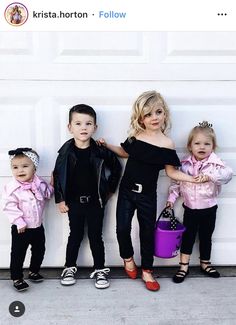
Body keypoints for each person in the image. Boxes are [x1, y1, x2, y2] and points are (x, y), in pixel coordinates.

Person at [98, 90, 201, 291]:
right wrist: (107, 145)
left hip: (147, 195)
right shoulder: (136, 136)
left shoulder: (167, 144)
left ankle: (147, 270)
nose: (154, 118)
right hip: (127, 192)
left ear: (165, 114)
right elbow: (125, 153)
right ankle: (127, 258)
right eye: (148, 114)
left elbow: (172, 172)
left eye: (158, 112)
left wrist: (191, 178)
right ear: (140, 118)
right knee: (122, 228)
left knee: (147, 233)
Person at [53, 104, 122, 289]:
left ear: (95, 127)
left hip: (96, 202)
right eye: (78, 123)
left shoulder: (100, 150)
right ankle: (69, 267)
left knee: (95, 236)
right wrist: (59, 199)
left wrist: (110, 190)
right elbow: (58, 175)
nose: (83, 127)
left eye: (88, 123)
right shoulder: (65, 152)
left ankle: (100, 269)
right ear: (70, 127)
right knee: (75, 235)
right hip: (74, 203)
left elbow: (116, 167)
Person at [166, 121, 233, 283]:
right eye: (197, 143)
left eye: (206, 144)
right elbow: (177, 184)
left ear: (213, 146)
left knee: (205, 236)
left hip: (209, 209)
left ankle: (205, 263)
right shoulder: (185, 164)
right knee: (188, 237)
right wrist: (171, 199)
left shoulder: (216, 165)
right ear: (190, 146)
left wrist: (210, 176)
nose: (202, 147)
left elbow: (228, 175)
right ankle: (183, 266)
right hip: (190, 209)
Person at [2, 148, 54, 291]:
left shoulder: (39, 183)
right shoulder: (12, 188)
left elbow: (48, 195)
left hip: (37, 226)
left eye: (25, 166)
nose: (20, 170)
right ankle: (17, 278)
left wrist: (51, 184)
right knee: (18, 253)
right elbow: (9, 205)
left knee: (39, 250)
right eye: (15, 167)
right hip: (21, 228)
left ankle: (34, 271)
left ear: (34, 167)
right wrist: (19, 221)